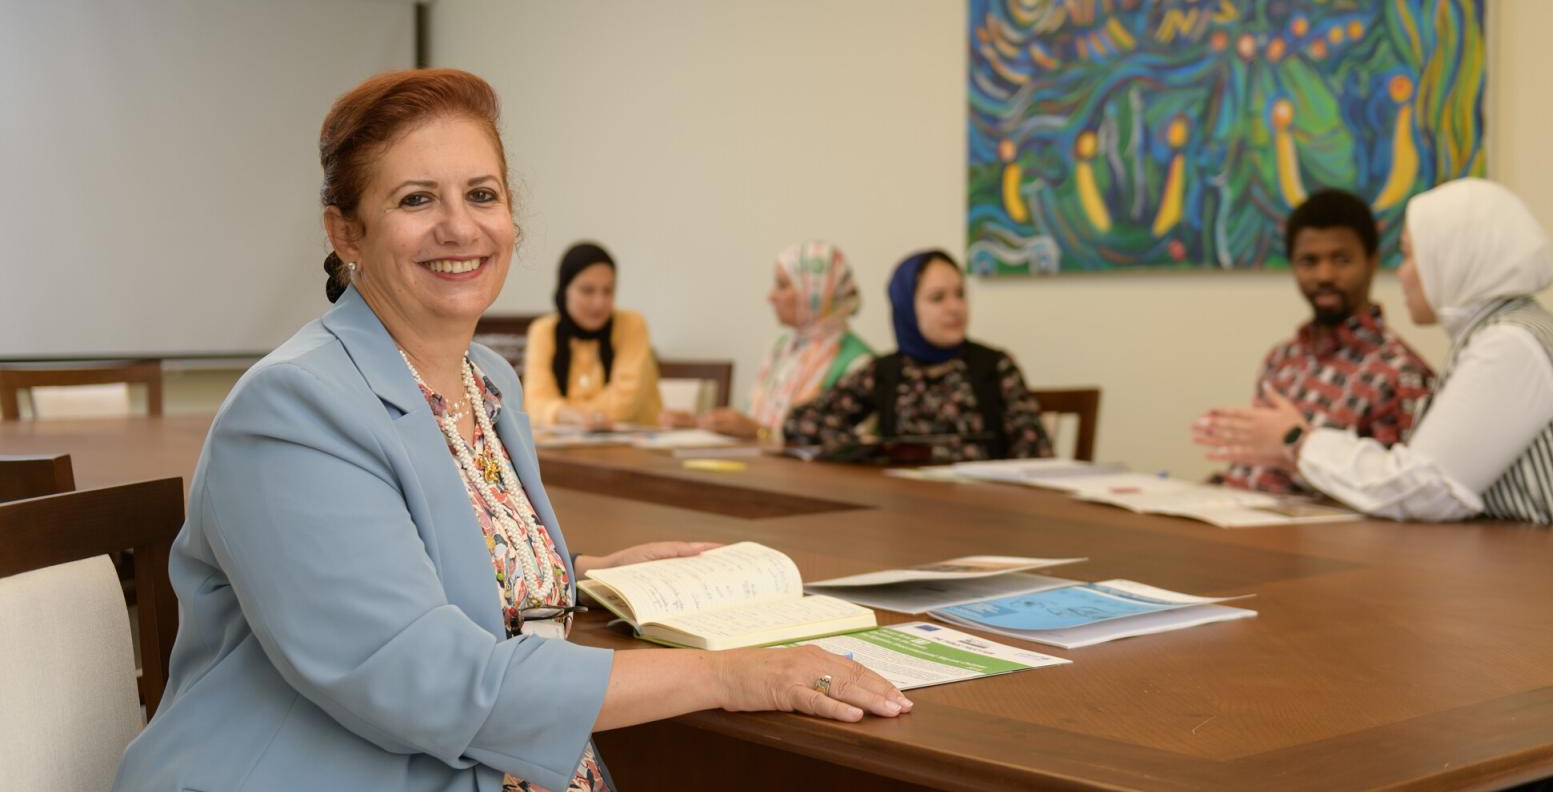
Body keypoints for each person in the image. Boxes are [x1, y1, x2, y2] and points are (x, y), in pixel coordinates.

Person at [113, 69, 908, 792]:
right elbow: (420, 677)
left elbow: (433, 567)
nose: (461, 229)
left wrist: (582, 574)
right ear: (346, 234)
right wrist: (737, 677)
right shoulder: (290, 409)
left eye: (483, 195)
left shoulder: (485, 378)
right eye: (416, 199)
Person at [1194, 178, 1553, 528]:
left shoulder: (1511, 344)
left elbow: (1426, 489)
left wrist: (1297, 442)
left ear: (1454, 259)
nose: (1402, 273)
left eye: (1410, 255)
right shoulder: (1508, 335)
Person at [1206, 188, 1434, 494]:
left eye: (1341, 260)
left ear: (1372, 261)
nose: (1324, 275)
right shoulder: (1282, 359)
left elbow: (1399, 495)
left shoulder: (1401, 374)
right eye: (1308, 261)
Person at [785, 249, 1053, 462]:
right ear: (906, 307)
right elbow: (803, 422)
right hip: (905, 508)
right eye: (937, 298)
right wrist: (867, 449)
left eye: (960, 294)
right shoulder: (885, 371)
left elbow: (1036, 452)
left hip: (986, 511)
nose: (955, 308)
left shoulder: (994, 366)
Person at [674, 241, 873, 440]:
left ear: (814, 292)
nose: (771, 296)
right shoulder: (782, 349)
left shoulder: (860, 364)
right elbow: (753, 421)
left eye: (783, 285)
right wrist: (701, 424)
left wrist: (763, 434)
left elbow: (851, 444)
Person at [523, 242, 664, 429]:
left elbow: (626, 403)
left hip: (634, 450)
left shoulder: (632, 325)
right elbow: (535, 404)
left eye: (608, 290)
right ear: (566, 290)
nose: (599, 303)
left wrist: (566, 414)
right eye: (587, 290)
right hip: (566, 451)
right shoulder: (543, 330)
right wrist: (578, 417)